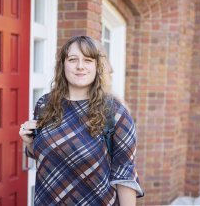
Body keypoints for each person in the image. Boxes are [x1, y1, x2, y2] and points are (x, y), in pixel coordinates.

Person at [19, 36, 144, 205]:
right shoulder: (45, 104)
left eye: (88, 60)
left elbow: (125, 174)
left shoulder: (115, 112)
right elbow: (46, 155)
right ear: (63, 64)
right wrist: (29, 143)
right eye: (72, 59)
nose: (80, 66)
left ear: (97, 66)